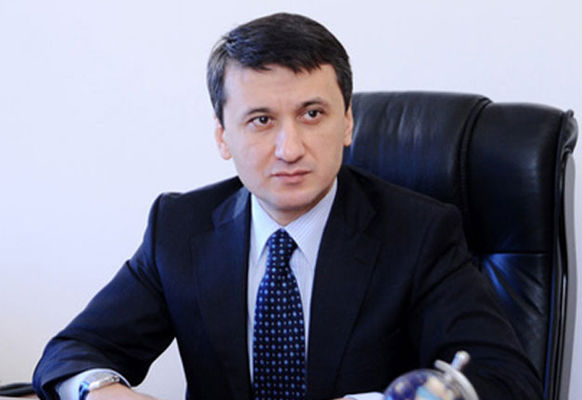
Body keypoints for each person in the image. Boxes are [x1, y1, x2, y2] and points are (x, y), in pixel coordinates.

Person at [32, 12, 542, 400]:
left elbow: (504, 379)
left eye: (312, 114)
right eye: (261, 120)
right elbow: (72, 352)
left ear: (347, 123)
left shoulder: (420, 233)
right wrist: (101, 390)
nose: (290, 148)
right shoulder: (180, 229)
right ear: (222, 136)